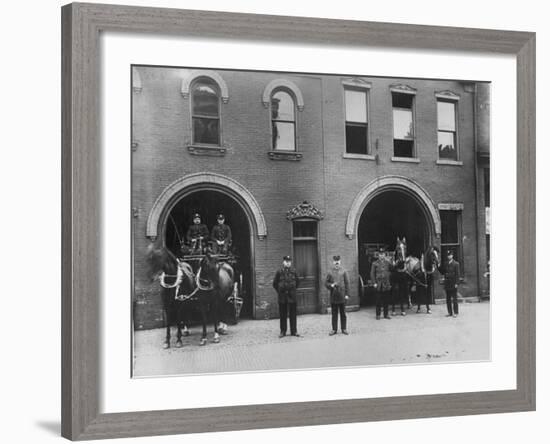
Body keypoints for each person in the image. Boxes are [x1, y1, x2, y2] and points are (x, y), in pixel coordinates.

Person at [272, 255, 300, 337]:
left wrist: (293, 291)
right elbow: (274, 283)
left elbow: (298, 282)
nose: (288, 263)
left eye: (289, 262)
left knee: (293, 314)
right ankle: (283, 331)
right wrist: (280, 292)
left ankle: (294, 331)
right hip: (282, 297)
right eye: (286, 261)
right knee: (283, 314)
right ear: (283, 262)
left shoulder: (294, 271)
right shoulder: (279, 272)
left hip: (292, 297)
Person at [325, 255, 350, 335]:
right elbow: (326, 283)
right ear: (333, 262)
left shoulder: (344, 271)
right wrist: (331, 285)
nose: (337, 262)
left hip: (342, 295)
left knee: (343, 313)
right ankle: (334, 329)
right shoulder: (330, 272)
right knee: (334, 314)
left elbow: (347, 283)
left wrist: (347, 294)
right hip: (334, 295)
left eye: (338, 261)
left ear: (340, 261)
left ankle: (344, 328)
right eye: (335, 261)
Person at [370, 248, 392, 320]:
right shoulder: (375, 263)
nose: (381, 256)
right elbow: (372, 274)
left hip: (386, 284)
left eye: (383, 254)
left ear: (385, 255)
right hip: (378, 284)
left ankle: (386, 314)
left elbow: (391, 270)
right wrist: (374, 283)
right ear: (378, 255)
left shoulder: (387, 263)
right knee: (378, 300)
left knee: (386, 300)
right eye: (380, 254)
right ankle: (378, 314)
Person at [438, 249, 460, 317]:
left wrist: (456, 283)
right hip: (447, 283)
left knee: (454, 299)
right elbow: (442, 272)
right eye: (448, 255)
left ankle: (455, 312)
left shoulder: (456, 264)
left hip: (453, 283)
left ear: (452, 255)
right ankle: (450, 312)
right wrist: (438, 267)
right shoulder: (445, 263)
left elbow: (457, 275)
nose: (449, 256)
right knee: (448, 299)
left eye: (450, 255)